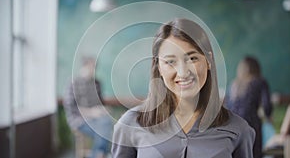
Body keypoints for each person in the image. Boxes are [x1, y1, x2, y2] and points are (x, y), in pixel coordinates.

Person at [111, 18, 255, 158]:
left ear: (208, 60)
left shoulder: (238, 129)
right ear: (158, 67)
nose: (183, 72)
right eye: (170, 62)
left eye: (192, 58)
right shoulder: (130, 124)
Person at [63, 57, 113, 158]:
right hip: (79, 120)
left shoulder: (97, 83)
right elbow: (70, 106)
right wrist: (91, 112)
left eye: (95, 67)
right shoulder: (73, 82)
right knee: (104, 131)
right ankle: (101, 154)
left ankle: (98, 154)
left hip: (97, 119)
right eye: (92, 67)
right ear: (84, 66)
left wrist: (103, 109)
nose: (94, 70)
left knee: (106, 122)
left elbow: (100, 103)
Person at [225, 56, 273, 158]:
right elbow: (267, 107)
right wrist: (268, 117)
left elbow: (228, 106)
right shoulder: (260, 82)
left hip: (232, 125)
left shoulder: (234, 84)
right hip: (251, 124)